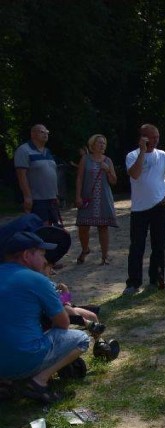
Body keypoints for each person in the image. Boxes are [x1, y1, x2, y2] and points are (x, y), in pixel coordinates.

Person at [0, 231, 90, 403]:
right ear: (27, 255)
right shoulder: (37, 280)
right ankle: (38, 382)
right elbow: (63, 324)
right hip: (24, 359)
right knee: (81, 338)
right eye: (41, 254)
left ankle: (4, 383)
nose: (44, 260)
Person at [123, 124, 165, 295]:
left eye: (157, 137)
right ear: (143, 137)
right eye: (152, 137)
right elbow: (135, 174)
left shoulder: (163, 155)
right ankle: (133, 283)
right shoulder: (132, 155)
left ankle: (157, 279)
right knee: (137, 246)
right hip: (139, 209)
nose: (156, 140)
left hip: (159, 206)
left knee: (159, 246)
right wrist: (143, 152)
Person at [75, 134, 118, 265]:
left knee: (103, 227)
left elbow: (114, 181)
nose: (102, 145)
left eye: (104, 143)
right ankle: (85, 249)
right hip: (87, 197)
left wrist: (108, 171)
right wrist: (77, 196)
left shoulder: (108, 161)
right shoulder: (85, 159)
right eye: (99, 142)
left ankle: (105, 256)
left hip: (103, 198)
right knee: (83, 226)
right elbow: (80, 178)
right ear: (92, 144)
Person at [14, 124, 60, 225]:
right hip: (37, 199)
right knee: (41, 229)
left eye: (46, 132)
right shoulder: (24, 150)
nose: (45, 134)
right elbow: (21, 175)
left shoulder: (48, 151)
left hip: (51, 198)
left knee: (54, 229)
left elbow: (52, 174)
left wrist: (55, 195)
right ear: (33, 134)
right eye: (42, 132)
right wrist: (27, 196)